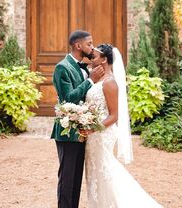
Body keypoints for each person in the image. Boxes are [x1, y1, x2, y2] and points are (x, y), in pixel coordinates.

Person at [83, 44, 164, 208]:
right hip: (94, 134)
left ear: (105, 60)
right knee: (96, 172)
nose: (92, 59)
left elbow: (114, 116)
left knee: (106, 172)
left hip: (102, 134)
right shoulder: (97, 80)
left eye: (95, 56)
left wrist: (93, 128)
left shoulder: (110, 83)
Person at [50, 30, 105, 208]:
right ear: (78, 45)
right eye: (89, 43)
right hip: (67, 132)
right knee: (67, 180)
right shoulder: (62, 67)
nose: (92, 47)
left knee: (76, 180)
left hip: (83, 131)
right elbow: (68, 99)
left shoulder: (84, 68)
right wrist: (90, 80)